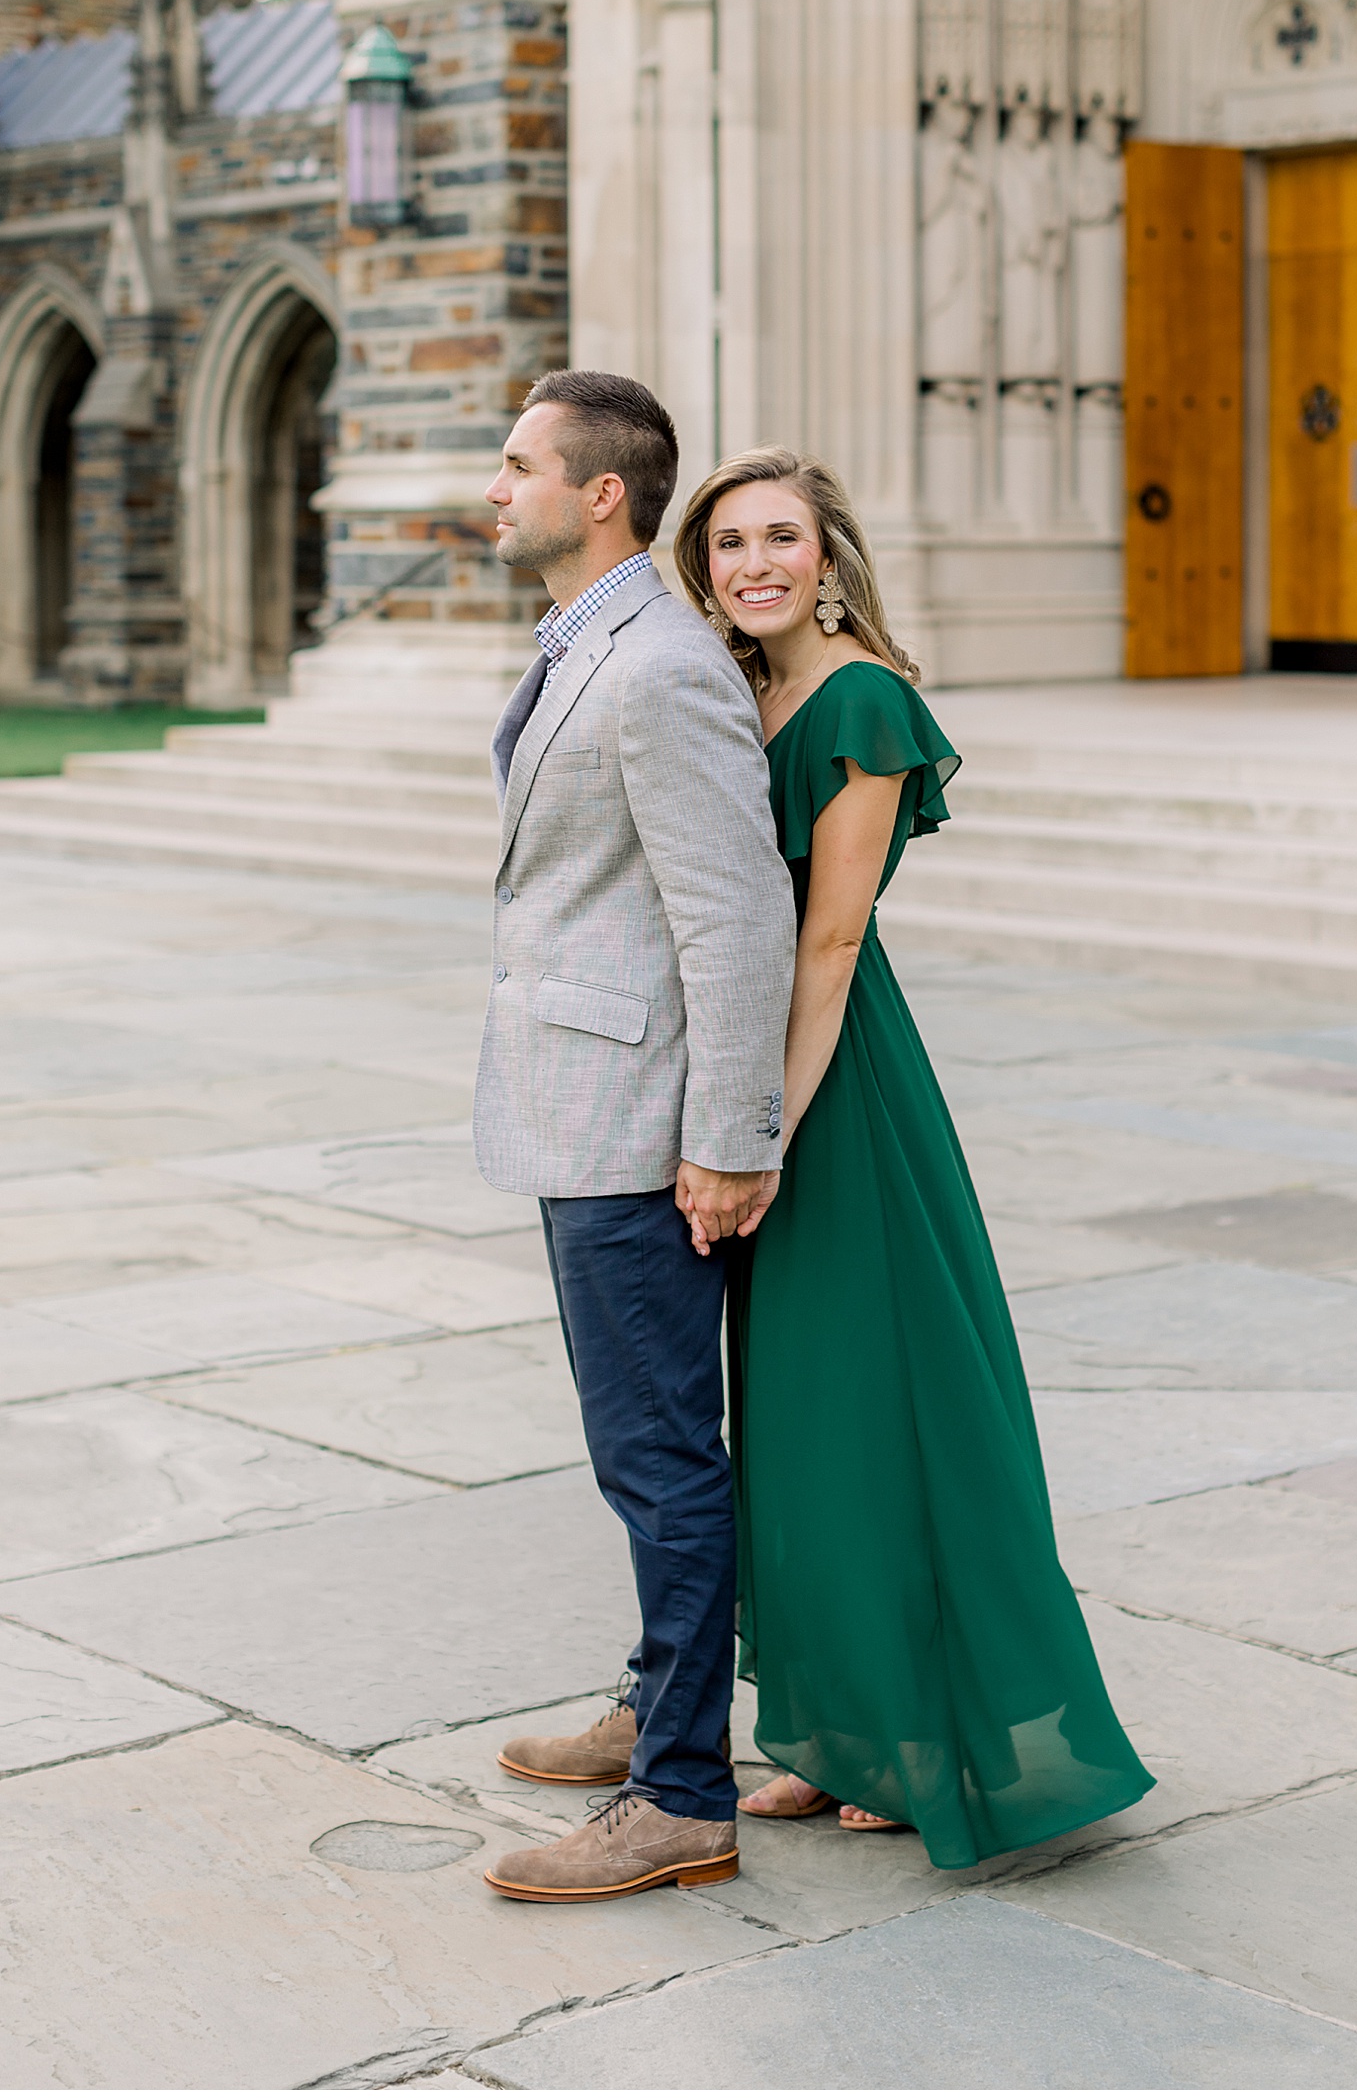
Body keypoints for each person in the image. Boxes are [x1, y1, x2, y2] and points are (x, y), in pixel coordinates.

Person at [668, 445, 1154, 1866]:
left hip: (834, 1089)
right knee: (801, 1426)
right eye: (730, 543)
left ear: (829, 557)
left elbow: (829, 938)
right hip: (753, 1068)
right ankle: (829, 1731)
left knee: (877, 1412)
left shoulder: (866, 698)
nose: (754, 563)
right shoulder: (741, 690)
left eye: (781, 539)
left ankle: (921, 1740)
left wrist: (759, 1130)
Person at [471, 372, 797, 1905]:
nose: (498, 485)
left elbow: (737, 917)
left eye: (521, 463)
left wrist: (732, 1140)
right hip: (579, 1105)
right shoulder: (589, 641)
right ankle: (650, 1706)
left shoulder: (659, 664)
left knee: (660, 1457)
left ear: (603, 492)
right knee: (643, 1450)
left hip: (640, 1130)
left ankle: (681, 1792)